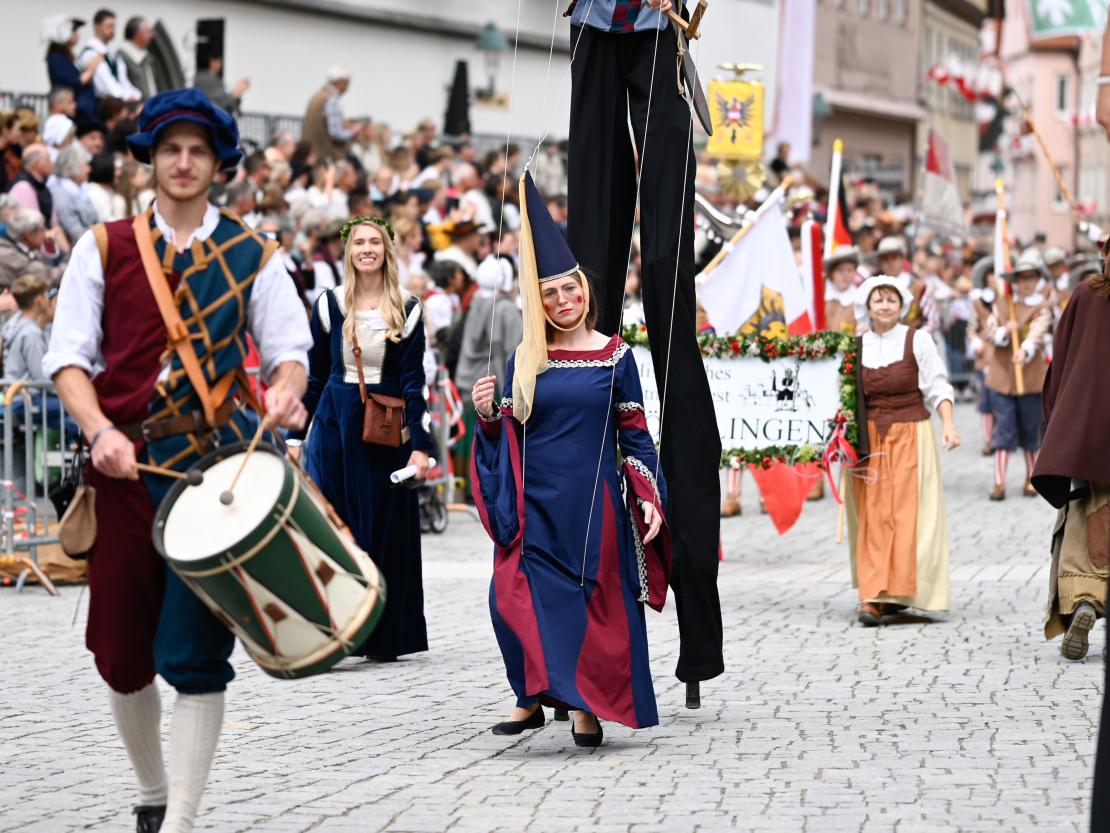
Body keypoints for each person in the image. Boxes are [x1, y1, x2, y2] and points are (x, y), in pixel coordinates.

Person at [42, 88, 311, 833]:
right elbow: (68, 361)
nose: (183, 162)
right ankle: (154, 789)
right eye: (170, 150)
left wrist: (285, 394)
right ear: (150, 161)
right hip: (123, 470)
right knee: (121, 654)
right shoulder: (103, 247)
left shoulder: (254, 253)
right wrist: (100, 431)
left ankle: (182, 819)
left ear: (218, 162)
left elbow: (290, 353)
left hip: (214, 476)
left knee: (194, 653)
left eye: (197, 150)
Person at [471, 173, 670, 745]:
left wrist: (647, 494)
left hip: (593, 502)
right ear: (539, 300)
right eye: (550, 293)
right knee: (511, 595)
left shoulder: (616, 356)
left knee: (588, 603)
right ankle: (531, 696)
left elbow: (635, 434)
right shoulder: (525, 357)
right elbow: (507, 429)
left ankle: (584, 706)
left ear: (585, 291)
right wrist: (488, 414)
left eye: (570, 290)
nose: (563, 300)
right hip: (534, 501)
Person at [289, 215, 431, 662]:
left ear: (387, 249)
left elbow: (413, 380)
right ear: (347, 251)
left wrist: (422, 444)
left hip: (383, 430)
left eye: (375, 242)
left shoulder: (407, 307)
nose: (366, 249)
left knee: (384, 529)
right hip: (334, 426)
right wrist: (295, 437)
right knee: (337, 531)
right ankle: (338, 632)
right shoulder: (330, 304)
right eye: (359, 243)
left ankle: (384, 634)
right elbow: (314, 376)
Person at [847, 276, 959, 626]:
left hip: (912, 434)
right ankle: (872, 594)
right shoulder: (856, 345)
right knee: (873, 516)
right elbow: (845, 396)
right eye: (877, 300)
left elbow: (937, 384)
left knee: (908, 515)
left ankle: (901, 593)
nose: (884, 306)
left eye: (890, 300)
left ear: (902, 305)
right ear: (867, 306)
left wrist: (949, 424)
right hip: (869, 441)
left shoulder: (918, 339)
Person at [1032, 241, 1110, 663]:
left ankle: (1085, 599)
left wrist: (1060, 421)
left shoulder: (1086, 293)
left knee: (1085, 518)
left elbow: (1059, 362)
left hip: (1085, 434)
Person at [982, 253, 1052, 500]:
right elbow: (989, 331)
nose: (1027, 283)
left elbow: (1037, 332)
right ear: (1015, 281)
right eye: (1022, 278)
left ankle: (1030, 479)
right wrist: (1004, 330)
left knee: (1030, 431)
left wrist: (1024, 349)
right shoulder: (1002, 304)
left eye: (1031, 277)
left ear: (1037, 279)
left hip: (1030, 380)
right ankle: (999, 482)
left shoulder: (1042, 307)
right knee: (1004, 429)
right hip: (1002, 379)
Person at [43, 14, 100, 123]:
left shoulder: (64, 57)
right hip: (77, 113)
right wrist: (91, 69)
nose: (77, 35)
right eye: (73, 31)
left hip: (83, 110)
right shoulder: (56, 57)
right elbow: (75, 82)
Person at [79, 9, 142, 103]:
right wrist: (128, 96)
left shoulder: (111, 53)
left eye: (114, 26)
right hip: (101, 107)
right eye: (109, 26)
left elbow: (123, 80)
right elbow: (104, 84)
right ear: (98, 27)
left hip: (118, 104)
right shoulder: (90, 53)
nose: (112, 30)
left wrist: (136, 94)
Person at [1, 274, 51, 379]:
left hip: (15, 393)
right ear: (39, 300)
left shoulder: (13, 325)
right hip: (27, 394)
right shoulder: (31, 333)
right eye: (46, 295)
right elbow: (41, 375)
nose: (48, 300)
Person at [0, 209, 63, 286]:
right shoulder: (13, 257)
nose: (46, 232)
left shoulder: (19, 244)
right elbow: (50, 277)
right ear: (30, 235)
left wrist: (48, 245)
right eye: (42, 229)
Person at [303, 67, 354, 163]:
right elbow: (335, 133)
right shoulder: (331, 100)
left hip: (313, 152)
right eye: (347, 83)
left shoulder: (318, 95)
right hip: (325, 155)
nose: (347, 88)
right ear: (341, 83)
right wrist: (352, 132)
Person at [49, 145, 98, 245]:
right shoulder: (60, 194)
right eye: (85, 165)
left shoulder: (81, 189)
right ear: (73, 168)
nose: (89, 169)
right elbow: (75, 232)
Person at [9, 144, 57, 228]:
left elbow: (54, 224)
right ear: (36, 164)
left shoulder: (41, 184)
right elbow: (33, 227)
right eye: (48, 159)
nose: (52, 162)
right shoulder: (24, 187)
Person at [824, 245, 860, 334]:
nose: (845, 275)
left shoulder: (859, 301)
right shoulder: (821, 297)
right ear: (831, 273)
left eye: (849, 270)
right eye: (840, 270)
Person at [118, 17, 157, 99]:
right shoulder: (122, 57)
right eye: (148, 31)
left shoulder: (147, 56)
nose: (152, 35)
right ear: (137, 34)